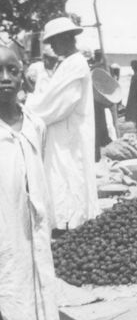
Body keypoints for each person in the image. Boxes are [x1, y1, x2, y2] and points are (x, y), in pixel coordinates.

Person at [0, 46, 65, 320]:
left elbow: (36, 183)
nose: (5, 77)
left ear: (23, 73)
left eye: (11, 69)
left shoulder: (34, 125)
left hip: (25, 243)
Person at [26, 16, 99, 232]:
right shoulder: (67, 64)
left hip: (70, 134)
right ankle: (66, 222)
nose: (53, 47)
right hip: (61, 132)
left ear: (65, 39)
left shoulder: (75, 64)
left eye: (55, 42)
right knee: (59, 175)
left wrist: (30, 109)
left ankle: (72, 225)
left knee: (70, 176)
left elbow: (60, 103)